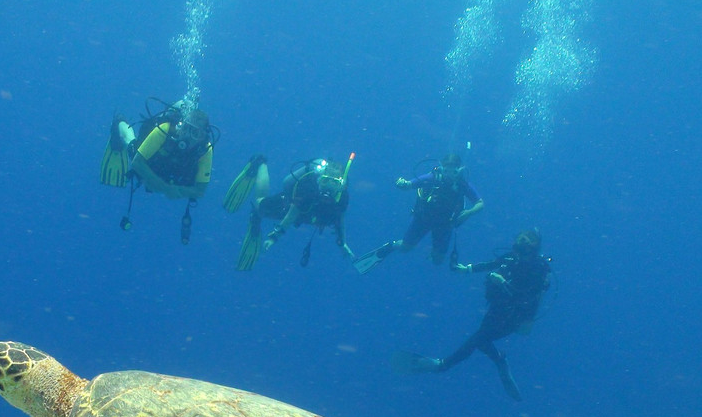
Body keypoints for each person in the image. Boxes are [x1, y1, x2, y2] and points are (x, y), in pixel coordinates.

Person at [391, 229, 551, 401]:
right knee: (482, 340)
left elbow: (525, 298)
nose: (523, 239)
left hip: (516, 316)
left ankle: (443, 365)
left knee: (479, 339)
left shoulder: (538, 268)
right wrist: (465, 269)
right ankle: (500, 361)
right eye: (521, 236)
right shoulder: (511, 257)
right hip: (497, 308)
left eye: (529, 238)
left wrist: (501, 281)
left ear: (536, 245)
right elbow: (491, 264)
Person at [100, 100, 215, 244]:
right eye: (186, 129)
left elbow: (200, 191)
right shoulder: (166, 129)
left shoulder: (205, 150)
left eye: (195, 133)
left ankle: (186, 103)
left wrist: (176, 190)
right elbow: (137, 162)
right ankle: (120, 122)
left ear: (203, 136)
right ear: (181, 125)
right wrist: (165, 187)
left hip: (169, 174)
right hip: (152, 161)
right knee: (131, 145)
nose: (188, 136)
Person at [354, 153, 483, 273]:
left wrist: (469, 213)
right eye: (446, 169)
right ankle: (391, 246)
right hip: (423, 219)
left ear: (459, 170)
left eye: (453, 170)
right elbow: (409, 185)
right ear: (441, 168)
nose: (449, 174)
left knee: (438, 261)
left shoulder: (463, 185)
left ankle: (433, 251)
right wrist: (402, 183)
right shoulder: (433, 177)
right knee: (405, 248)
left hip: (445, 224)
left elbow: (480, 203)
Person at [229, 155, 356, 270]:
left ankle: (257, 214)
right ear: (319, 180)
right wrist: (274, 236)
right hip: (290, 205)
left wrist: (342, 243)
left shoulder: (341, 199)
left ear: (341, 186)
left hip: (308, 216)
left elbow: (340, 221)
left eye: (334, 184)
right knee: (259, 204)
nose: (328, 188)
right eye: (325, 181)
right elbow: (291, 215)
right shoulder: (308, 192)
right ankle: (260, 163)